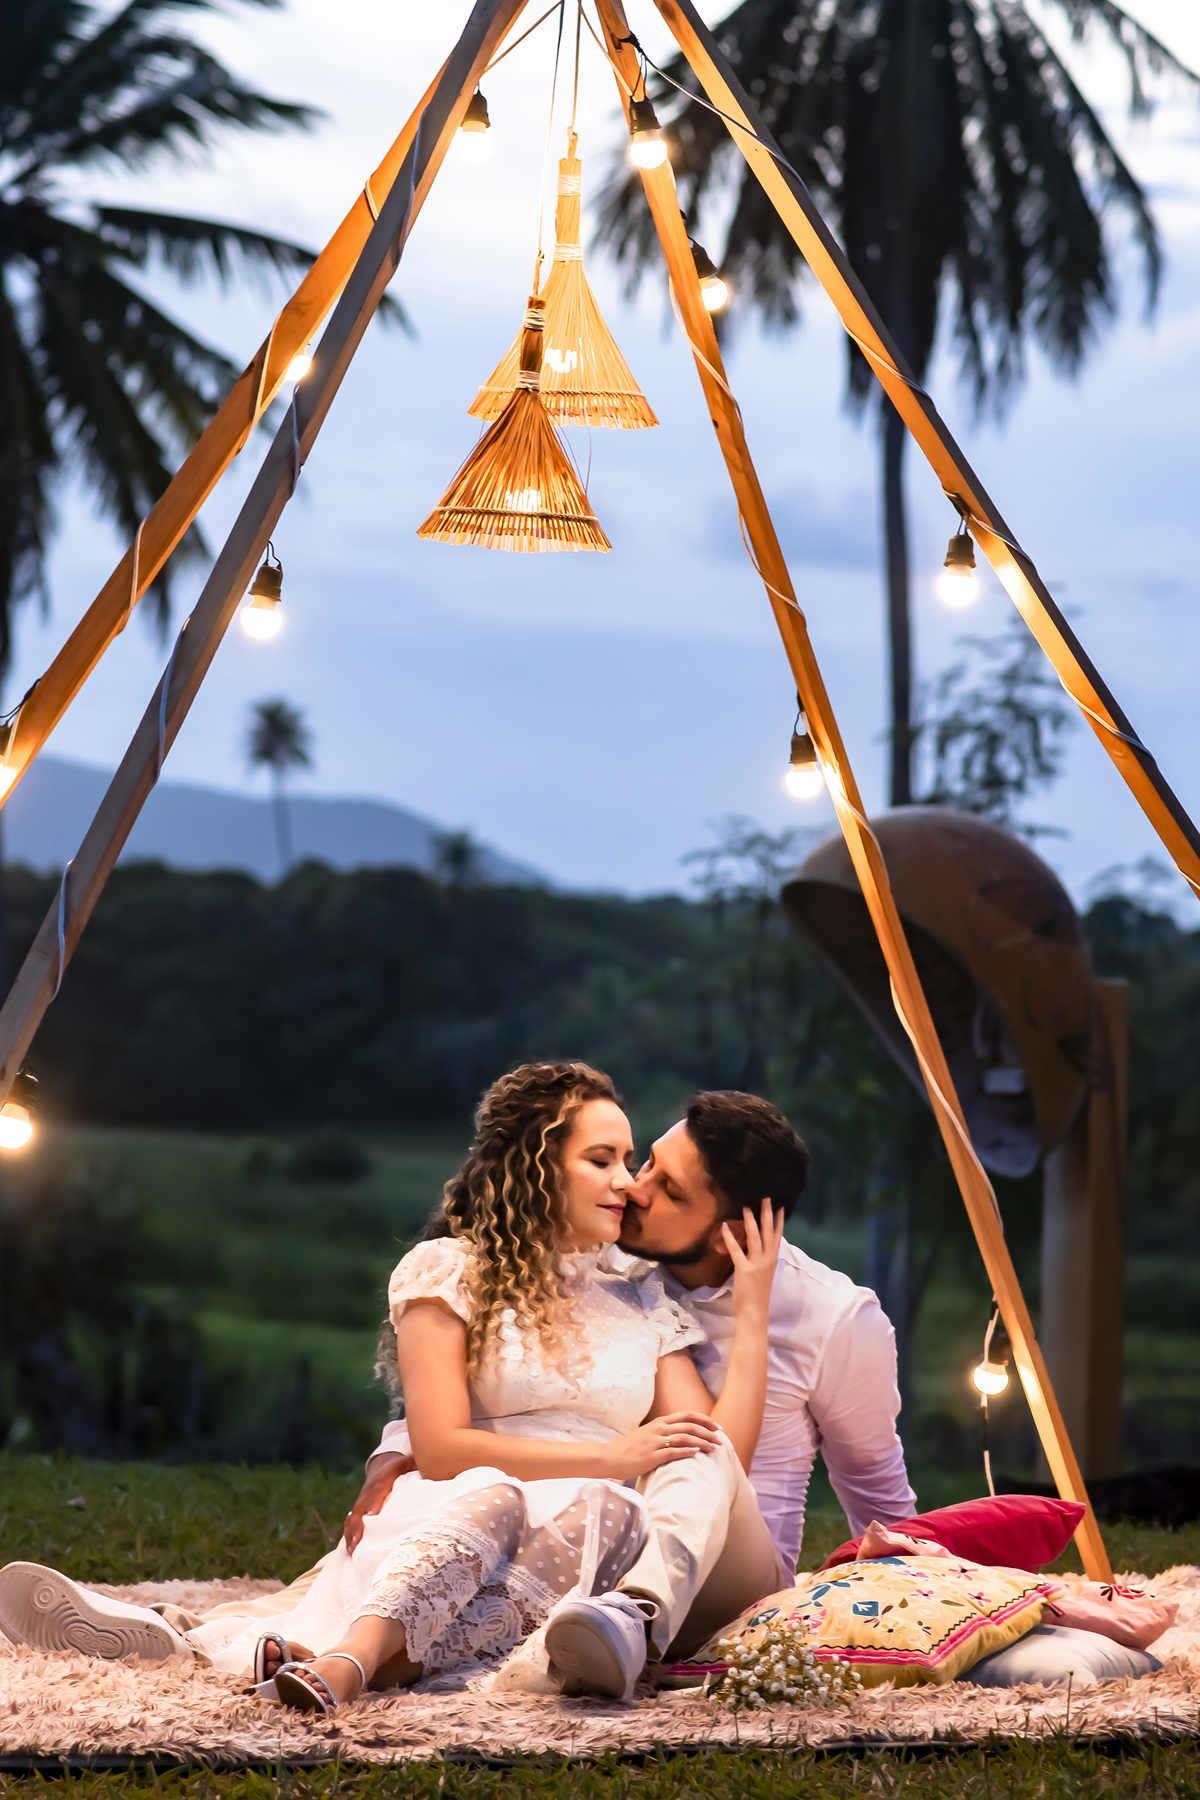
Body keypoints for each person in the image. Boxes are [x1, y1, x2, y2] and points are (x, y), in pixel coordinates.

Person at [0, 1061, 783, 1711]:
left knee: (632, 1486)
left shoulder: (640, 1296)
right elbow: (440, 1446)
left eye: (629, 1161)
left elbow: (713, 1457)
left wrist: (752, 1309)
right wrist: (609, 1457)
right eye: (603, 1160)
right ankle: (231, 1643)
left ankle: (273, 1649)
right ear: (537, 1165)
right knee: (483, 1504)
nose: (628, 1183)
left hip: (595, 1525)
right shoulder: (449, 1271)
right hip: (481, 1493)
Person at [354, 1089, 915, 1683]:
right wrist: (398, 1450)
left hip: (730, 1568)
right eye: (647, 1163)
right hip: (603, 1533)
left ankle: (633, 1615)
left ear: (727, 1233)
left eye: (669, 1190)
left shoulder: (835, 1318)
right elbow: (521, 1384)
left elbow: (872, 1483)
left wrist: (753, 1310)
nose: (634, 1188)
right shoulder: (612, 1265)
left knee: (699, 1443)